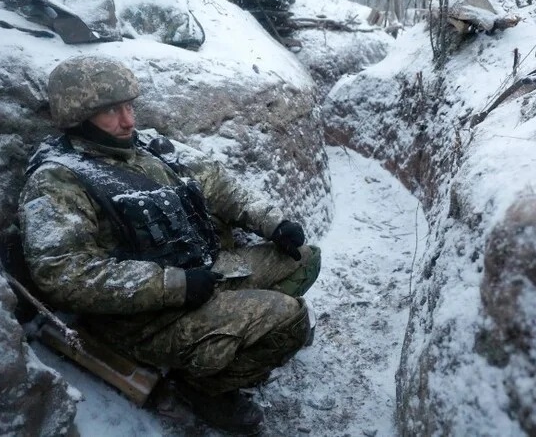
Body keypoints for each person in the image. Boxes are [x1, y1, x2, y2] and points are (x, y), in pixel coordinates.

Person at [18, 55, 321, 435]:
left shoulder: (148, 148)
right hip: (144, 319)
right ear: (79, 117)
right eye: (111, 112)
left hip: (204, 271)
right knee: (290, 317)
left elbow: (220, 186)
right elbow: (64, 275)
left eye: (129, 106)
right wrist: (172, 285)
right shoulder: (57, 181)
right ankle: (203, 388)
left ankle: (247, 343)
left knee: (306, 259)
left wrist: (273, 223)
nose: (128, 121)